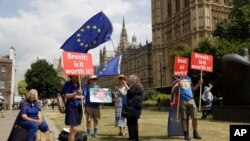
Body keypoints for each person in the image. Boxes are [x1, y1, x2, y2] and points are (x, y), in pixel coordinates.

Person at [63, 75, 84, 141]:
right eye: (78, 76)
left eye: (80, 76)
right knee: (73, 128)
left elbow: (83, 97)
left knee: (74, 129)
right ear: (73, 76)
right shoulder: (68, 84)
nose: (79, 77)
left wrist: (78, 96)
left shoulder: (79, 85)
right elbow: (66, 96)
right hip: (71, 107)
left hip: (78, 107)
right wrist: (76, 93)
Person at [126, 75, 143, 141]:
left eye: (130, 78)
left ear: (133, 79)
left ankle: (134, 138)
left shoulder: (136, 86)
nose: (129, 79)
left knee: (133, 123)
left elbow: (131, 92)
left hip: (135, 106)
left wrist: (126, 85)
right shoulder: (132, 86)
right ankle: (131, 137)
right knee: (130, 122)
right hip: (132, 106)